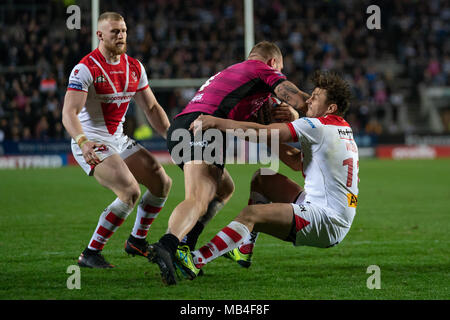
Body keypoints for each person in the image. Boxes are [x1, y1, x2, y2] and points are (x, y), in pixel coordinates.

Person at [148, 41, 310, 285]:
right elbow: (300, 100)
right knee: (199, 197)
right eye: (279, 69)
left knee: (224, 188)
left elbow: (262, 137)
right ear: (273, 63)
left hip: (184, 127)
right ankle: (168, 244)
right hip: (202, 128)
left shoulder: (235, 80)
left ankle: (185, 249)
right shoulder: (260, 68)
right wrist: (297, 114)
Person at [177, 71, 358, 279]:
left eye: (315, 97)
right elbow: (294, 161)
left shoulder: (318, 126)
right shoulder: (341, 128)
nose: (308, 99)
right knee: (263, 179)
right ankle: (244, 248)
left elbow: (267, 133)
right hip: (331, 211)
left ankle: (195, 260)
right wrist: (277, 125)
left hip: (326, 220)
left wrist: (217, 122)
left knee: (251, 214)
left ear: (331, 108)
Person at [62, 12, 172, 268]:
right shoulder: (85, 68)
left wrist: (172, 137)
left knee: (161, 182)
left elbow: (152, 108)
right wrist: (82, 141)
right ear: (100, 35)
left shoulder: (134, 67)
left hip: (118, 139)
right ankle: (90, 253)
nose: (121, 35)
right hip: (90, 140)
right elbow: (69, 112)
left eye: (123, 30)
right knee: (130, 191)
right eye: (115, 32)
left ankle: (137, 240)